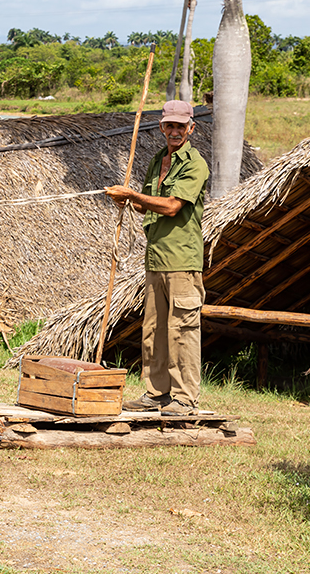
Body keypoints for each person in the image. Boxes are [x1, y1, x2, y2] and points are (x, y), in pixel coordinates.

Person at [104, 99, 209, 416]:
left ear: (190, 128)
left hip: (181, 260)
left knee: (182, 330)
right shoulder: (157, 160)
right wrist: (127, 199)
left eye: (180, 126)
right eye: (169, 125)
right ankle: (157, 393)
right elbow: (146, 204)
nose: (175, 131)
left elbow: (173, 206)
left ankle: (184, 398)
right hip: (156, 259)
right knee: (154, 330)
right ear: (162, 127)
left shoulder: (195, 164)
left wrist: (134, 196)